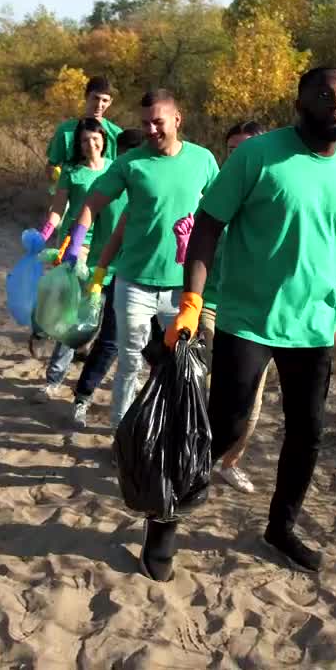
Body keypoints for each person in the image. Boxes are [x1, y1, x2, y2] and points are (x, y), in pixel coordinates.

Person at [141, 67, 336, 581]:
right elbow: (207, 226)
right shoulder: (256, 157)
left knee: (308, 433)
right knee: (225, 429)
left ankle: (281, 528)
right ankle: (164, 519)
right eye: (326, 94)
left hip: (313, 327)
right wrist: (193, 301)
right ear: (300, 103)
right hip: (249, 319)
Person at [60, 89, 220, 431]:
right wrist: (74, 245)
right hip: (134, 283)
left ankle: (174, 433)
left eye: (158, 122)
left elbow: (222, 212)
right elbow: (92, 203)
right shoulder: (129, 163)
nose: (150, 130)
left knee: (181, 364)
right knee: (130, 360)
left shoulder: (203, 160)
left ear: (177, 120)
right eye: (145, 123)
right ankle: (123, 434)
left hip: (183, 286)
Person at [57, 128, 145, 425]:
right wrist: (74, 248)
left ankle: (142, 409)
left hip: (150, 278)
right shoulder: (107, 184)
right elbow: (86, 216)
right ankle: (82, 396)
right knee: (107, 341)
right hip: (107, 273)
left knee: (150, 350)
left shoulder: (153, 188)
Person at [197, 120, 267, 493]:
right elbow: (194, 248)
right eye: (232, 150)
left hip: (256, 312)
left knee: (251, 395)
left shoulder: (272, 197)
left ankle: (229, 461)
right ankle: (196, 455)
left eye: (247, 149)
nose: (238, 157)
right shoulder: (214, 194)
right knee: (211, 384)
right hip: (210, 303)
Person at [32, 118, 114, 402]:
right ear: (77, 144)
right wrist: (43, 235)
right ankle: (54, 378)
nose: (91, 144)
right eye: (84, 140)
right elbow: (57, 210)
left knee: (100, 315)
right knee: (75, 314)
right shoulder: (72, 172)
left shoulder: (117, 168)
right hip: (75, 245)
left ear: (104, 139)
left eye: (96, 138)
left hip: (108, 248)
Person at [44, 76, 123, 186]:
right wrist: (59, 184)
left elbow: (122, 171)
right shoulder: (66, 131)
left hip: (105, 196)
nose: (99, 105)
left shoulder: (116, 134)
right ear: (86, 96)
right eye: (96, 98)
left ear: (110, 102)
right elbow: (51, 165)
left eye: (104, 100)